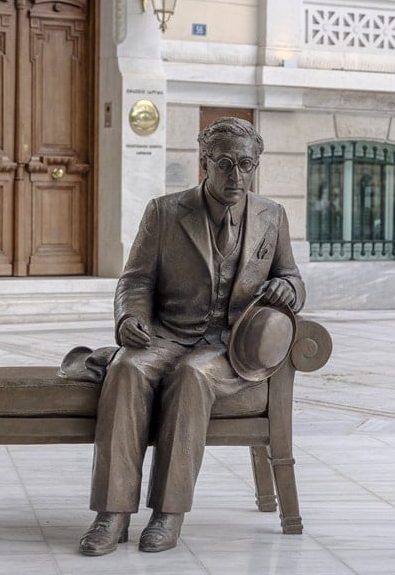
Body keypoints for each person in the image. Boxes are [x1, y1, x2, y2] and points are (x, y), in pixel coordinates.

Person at [78, 117, 305, 556]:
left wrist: (288, 289)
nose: (236, 176)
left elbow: (292, 276)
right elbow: (136, 279)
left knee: (191, 376)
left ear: (256, 165)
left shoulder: (271, 216)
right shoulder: (165, 212)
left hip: (229, 348)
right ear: (204, 163)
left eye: (245, 164)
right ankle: (112, 512)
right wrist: (129, 319)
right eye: (225, 164)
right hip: (165, 335)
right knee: (125, 369)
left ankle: (169, 512)